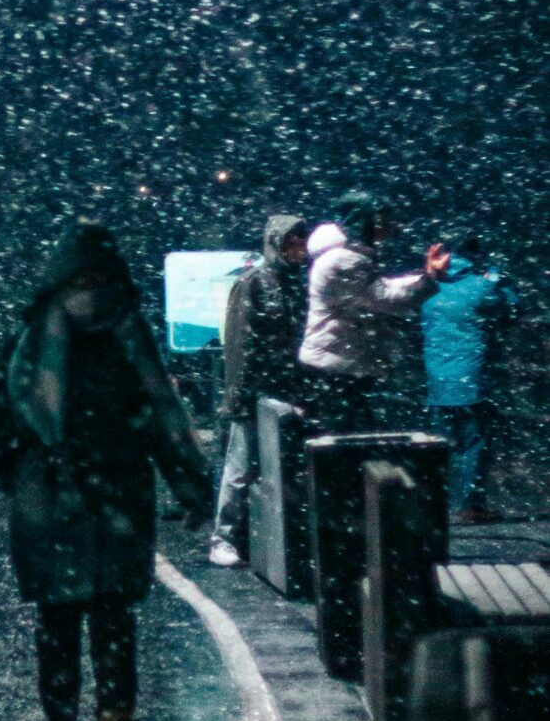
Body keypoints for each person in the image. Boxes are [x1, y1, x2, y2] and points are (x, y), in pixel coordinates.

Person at [0, 221, 210, 721]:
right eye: (82, 275)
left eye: (97, 276)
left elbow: (159, 416)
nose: (90, 287)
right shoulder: (52, 337)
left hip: (100, 494)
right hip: (62, 493)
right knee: (66, 616)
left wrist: (189, 482)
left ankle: (107, 717)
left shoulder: (102, 335)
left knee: (103, 613)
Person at [298, 191, 448, 433]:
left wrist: (425, 277)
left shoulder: (343, 257)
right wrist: (429, 280)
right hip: (337, 366)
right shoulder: (345, 260)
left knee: (344, 439)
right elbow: (385, 298)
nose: (389, 227)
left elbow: (379, 289)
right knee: (345, 441)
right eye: (383, 220)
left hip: (336, 362)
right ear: (364, 221)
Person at [211, 214, 310, 566]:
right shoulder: (253, 282)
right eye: (293, 241)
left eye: (302, 240)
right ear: (277, 242)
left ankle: (267, 538)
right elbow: (238, 345)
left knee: (278, 467)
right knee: (240, 465)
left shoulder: (295, 282)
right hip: (256, 391)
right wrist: (239, 395)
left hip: (286, 388)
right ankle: (223, 537)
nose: (300, 248)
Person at [422, 230, 516, 524]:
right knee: (476, 442)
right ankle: (470, 505)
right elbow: (512, 310)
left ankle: (431, 504)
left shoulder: (430, 289)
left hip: (438, 379)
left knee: (442, 444)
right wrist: (499, 278)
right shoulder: (484, 286)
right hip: (473, 378)